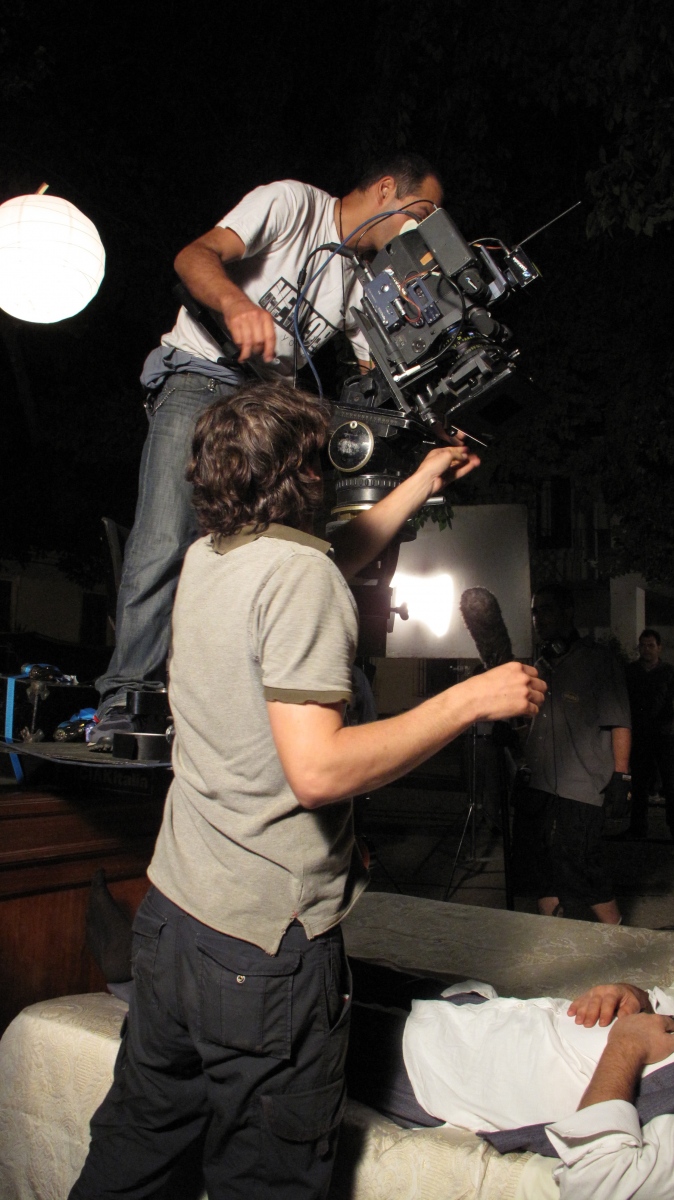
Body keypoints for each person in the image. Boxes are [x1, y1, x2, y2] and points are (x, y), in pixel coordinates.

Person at [69, 381, 546, 1200]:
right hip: (259, 957)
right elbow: (318, 771)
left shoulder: (213, 557)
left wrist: (421, 480)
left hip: (174, 920)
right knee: (269, 1181)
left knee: (135, 1153)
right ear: (305, 473)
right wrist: (469, 700)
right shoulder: (300, 579)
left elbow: (329, 555)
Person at [91, 155, 445, 745]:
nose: (420, 227)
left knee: (274, 549)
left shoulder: (362, 279)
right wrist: (236, 304)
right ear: (386, 189)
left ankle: (220, 707)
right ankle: (124, 699)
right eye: (420, 211)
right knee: (166, 536)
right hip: (202, 373)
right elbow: (193, 256)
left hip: (265, 410)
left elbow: (378, 373)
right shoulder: (292, 203)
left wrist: (430, 408)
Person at [347, 970, 674, 1200]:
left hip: (442, 1066)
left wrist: (627, 1046)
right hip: (484, 1008)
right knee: (334, 962)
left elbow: (600, 1184)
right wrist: (633, 996)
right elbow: (662, 1001)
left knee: (318, 1011)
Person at [512, 582, 631, 922]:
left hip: (581, 788)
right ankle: (551, 940)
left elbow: (620, 721)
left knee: (586, 873)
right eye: (535, 611)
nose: (538, 618)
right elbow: (535, 726)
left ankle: (618, 940)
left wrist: (621, 776)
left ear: (568, 612)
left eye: (546, 609)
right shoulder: (540, 666)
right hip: (540, 787)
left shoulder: (597, 661)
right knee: (544, 872)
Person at [625, 628, 674, 839]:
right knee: (639, 783)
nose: (646, 650)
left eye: (651, 645)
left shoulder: (668, 672)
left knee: (670, 782)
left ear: (659, 648)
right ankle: (638, 828)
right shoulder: (631, 672)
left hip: (663, 734)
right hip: (640, 734)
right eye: (643, 646)